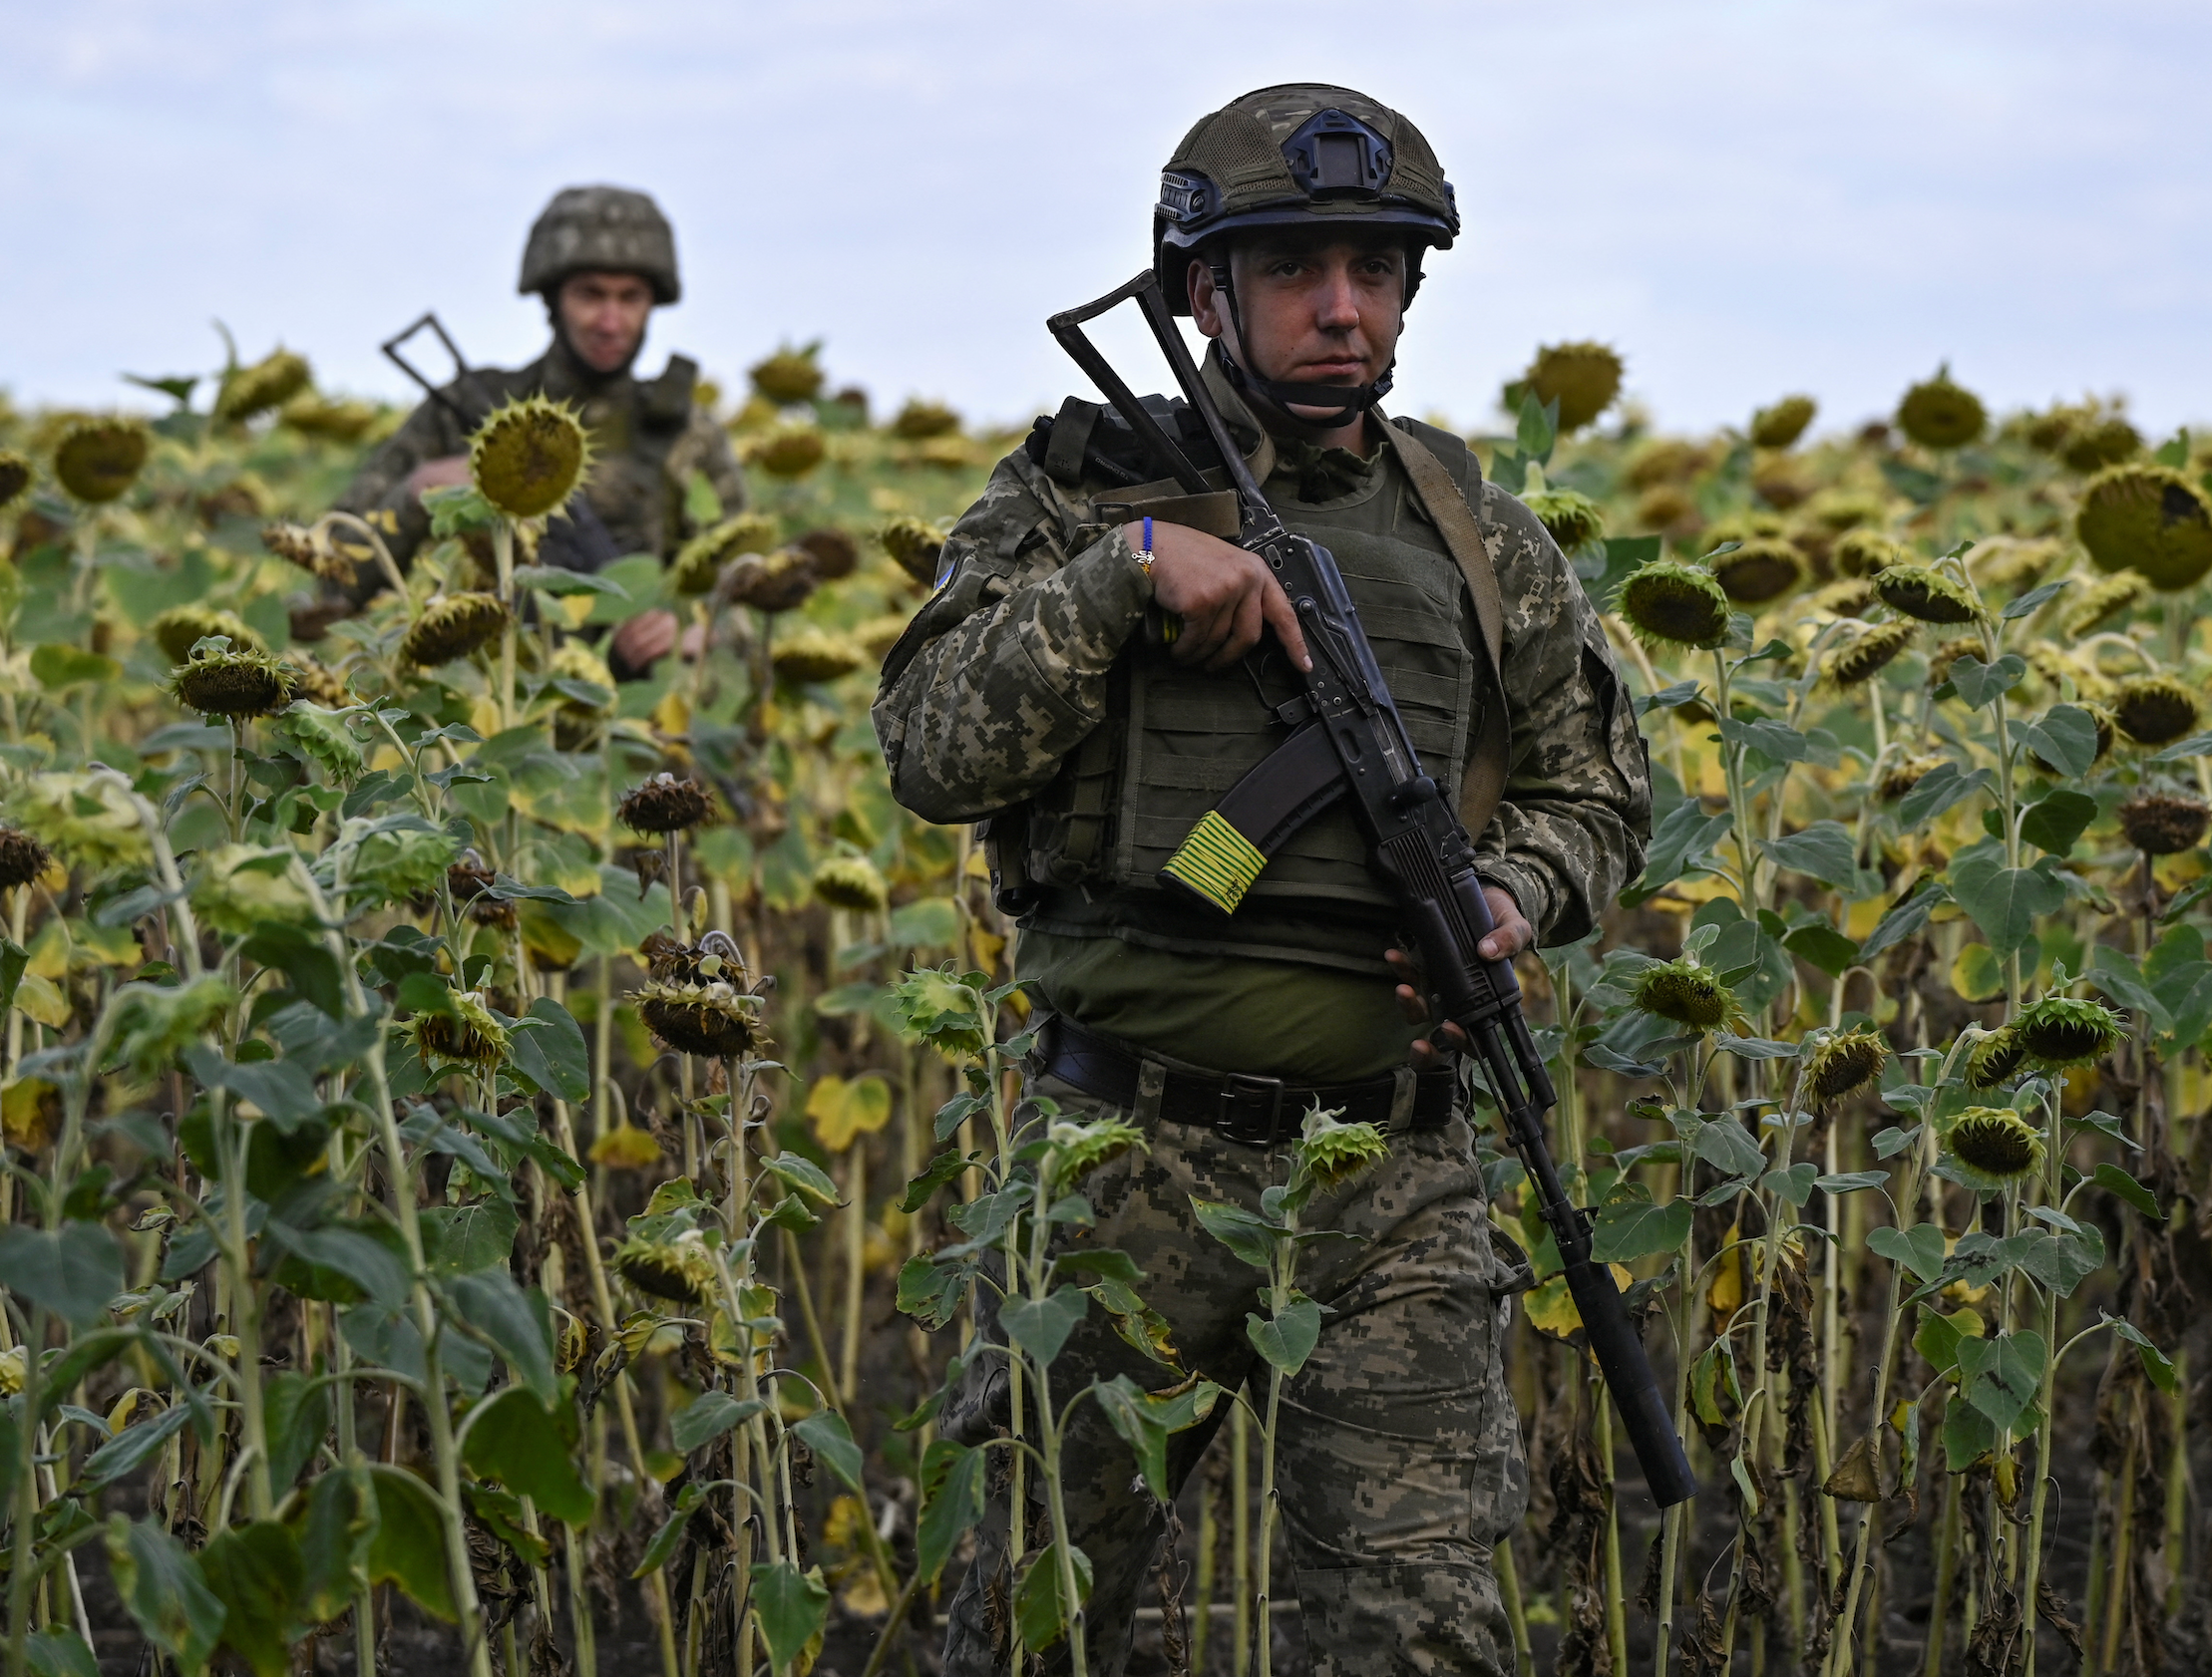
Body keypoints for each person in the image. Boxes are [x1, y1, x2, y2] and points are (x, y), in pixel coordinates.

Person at [874, 84, 1652, 1674]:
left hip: (1395, 1174)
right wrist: (1119, 580)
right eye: (1295, 266)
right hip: (1124, 1168)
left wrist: (1515, 890)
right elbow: (932, 748)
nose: (1341, 307)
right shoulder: (1075, 495)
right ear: (1201, 293)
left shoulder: (1478, 536)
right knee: (1028, 1622)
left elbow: (1596, 787)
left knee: (1422, 1637)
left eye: (1374, 268)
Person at [326, 184, 744, 674]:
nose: (611, 322)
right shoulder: (462, 411)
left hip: (633, 707)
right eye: (591, 295)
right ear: (552, 298)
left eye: (630, 298)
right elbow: (333, 580)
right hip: (484, 698)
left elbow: (747, 595)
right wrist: (418, 494)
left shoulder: (688, 436)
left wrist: (697, 631)